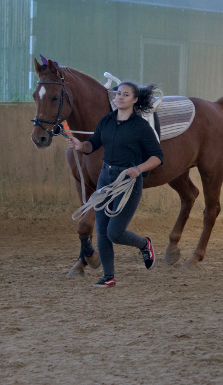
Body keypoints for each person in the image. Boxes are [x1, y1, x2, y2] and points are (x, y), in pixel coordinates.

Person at [67, 81, 164, 288]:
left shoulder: (141, 126)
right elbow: (93, 144)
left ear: (135, 100)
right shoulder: (106, 120)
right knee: (102, 231)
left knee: (115, 233)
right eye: (118, 93)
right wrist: (80, 145)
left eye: (126, 94)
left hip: (128, 181)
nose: (120, 97)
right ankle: (108, 276)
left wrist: (139, 169)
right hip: (105, 177)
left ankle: (144, 244)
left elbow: (157, 157)